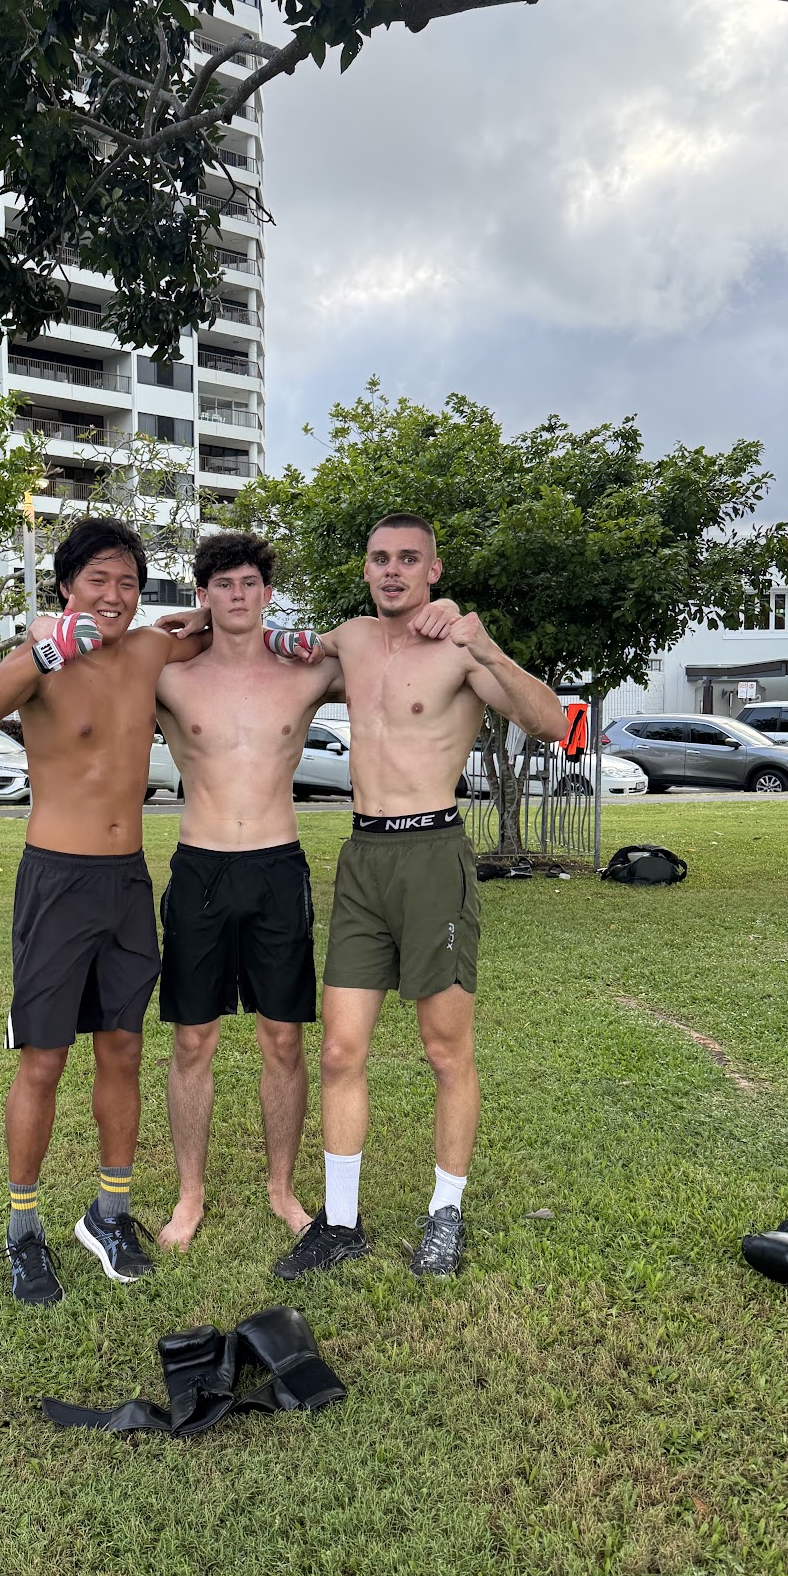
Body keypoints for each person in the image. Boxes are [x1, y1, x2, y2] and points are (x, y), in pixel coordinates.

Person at [272, 512, 569, 1282]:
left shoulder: (459, 649)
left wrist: (485, 645)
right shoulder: (353, 639)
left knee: (445, 1049)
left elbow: (551, 725)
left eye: (409, 559)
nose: (393, 570)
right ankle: (340, 1223)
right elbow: (284, 648)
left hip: (434, 853)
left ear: (434, 570)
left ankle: (446, 1212)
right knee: (339, 1048)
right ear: (366, 570)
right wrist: (196, 625)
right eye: (380, 559)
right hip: (363, 857)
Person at [152, 531, 460, 1251]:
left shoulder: (308, 671)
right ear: (203, 594)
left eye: (249, 583)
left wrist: (444, 615)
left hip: (277, 867)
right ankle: (189, 1196)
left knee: (283, 1039)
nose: (236, 595)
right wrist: (175, 628)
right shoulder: (169, 677)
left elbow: (398, 667)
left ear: (266, 592)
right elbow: (115, 651)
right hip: (199, 866)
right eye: (222, 583)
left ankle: (282, 1189)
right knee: (193, 1039)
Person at [0, 516, 206, 1307]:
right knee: (43, 1058)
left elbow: (209, 632)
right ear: (66, 585)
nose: (114, 594)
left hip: (128, 881)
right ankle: (22, 1230)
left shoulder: (147, 651)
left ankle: (110, 1214)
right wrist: (42, 646)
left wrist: (191, 617)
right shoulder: (44, 658)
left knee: (123, 1049)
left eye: (127, 582)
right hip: (57, 881)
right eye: (98, 578)